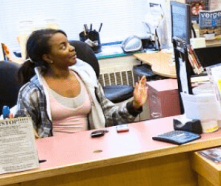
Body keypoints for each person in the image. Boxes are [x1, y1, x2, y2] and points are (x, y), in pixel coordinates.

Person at [14, 29, 147, 139]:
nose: (72, 48)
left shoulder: (86, 79)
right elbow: (23, 135)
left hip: (92, 150)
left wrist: (134, 105)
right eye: (63, 46)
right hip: (54, 159)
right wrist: (27, 135)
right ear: (48, 57)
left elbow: (108, 117)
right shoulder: (33, 91)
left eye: (68, 43)